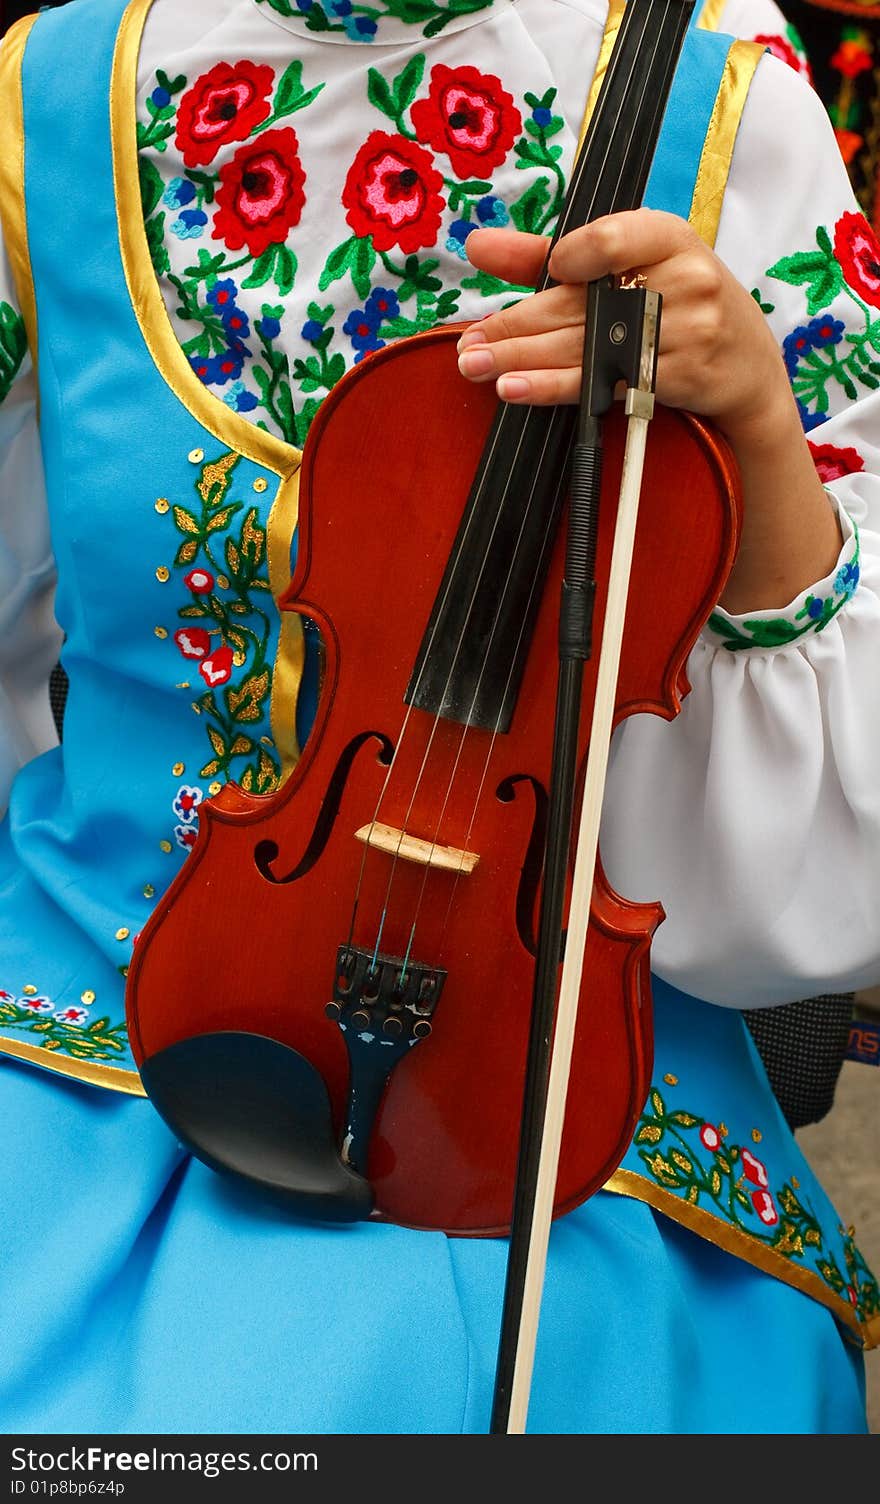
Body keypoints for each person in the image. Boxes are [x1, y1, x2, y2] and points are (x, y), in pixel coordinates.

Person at [0, 0, 878, 1436]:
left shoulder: (720, 86)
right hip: (76, 994)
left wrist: (760, 434)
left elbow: (833, 853)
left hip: (547, 1064)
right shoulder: (49, 95)